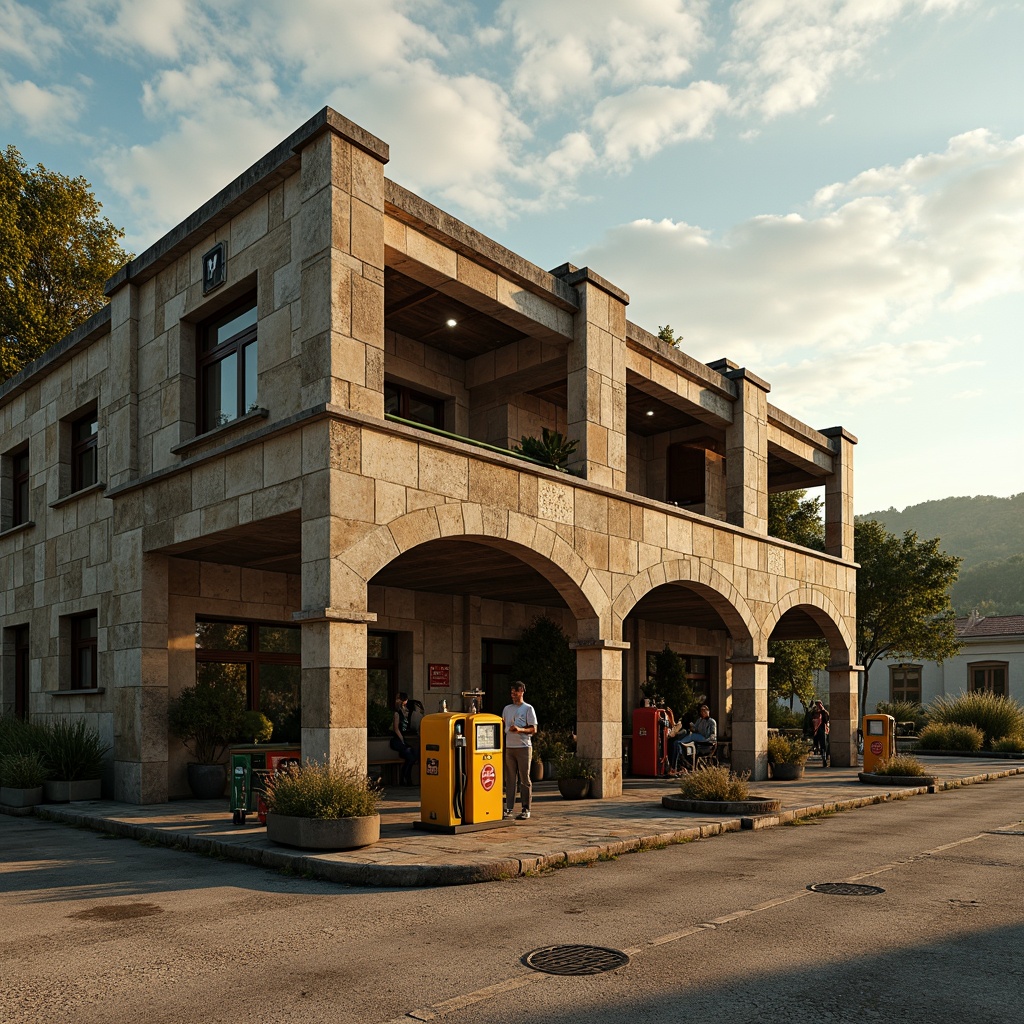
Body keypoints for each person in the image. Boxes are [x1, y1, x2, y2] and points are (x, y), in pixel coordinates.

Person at [502, 680, 538, 820]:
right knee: (510, 779)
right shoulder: (507, 709)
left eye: (515, 692)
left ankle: (526, 808)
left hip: (523, 747)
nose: (513, 695)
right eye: (511, 693)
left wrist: (520, 730)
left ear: (522, 691)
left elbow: (534, 729)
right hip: (510, 747)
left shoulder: (528, 708)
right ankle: (509, 808)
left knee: (524, 779)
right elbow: (503, 725)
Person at [668, 704, 717, 775]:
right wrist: (691, 726)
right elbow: (695, 729)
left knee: (691, 736)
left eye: (704, 710)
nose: (703, 712)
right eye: (701, 710)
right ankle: (674, 766)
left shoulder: (711, 721)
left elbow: (713, 734)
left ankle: (681, 742)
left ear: (708, 711)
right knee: (683, 737)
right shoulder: (699, 720)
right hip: (698, 737)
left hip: (706, 738)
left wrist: (710, 741)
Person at [390, 692, 422, 786]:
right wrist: (402, 740)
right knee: (409, 754)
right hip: (397, 740)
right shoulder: (397, 713)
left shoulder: (407, 711)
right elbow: (396, 729)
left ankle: (406, 777)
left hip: (403, 739)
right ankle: (405, 777)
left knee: (413, 755)